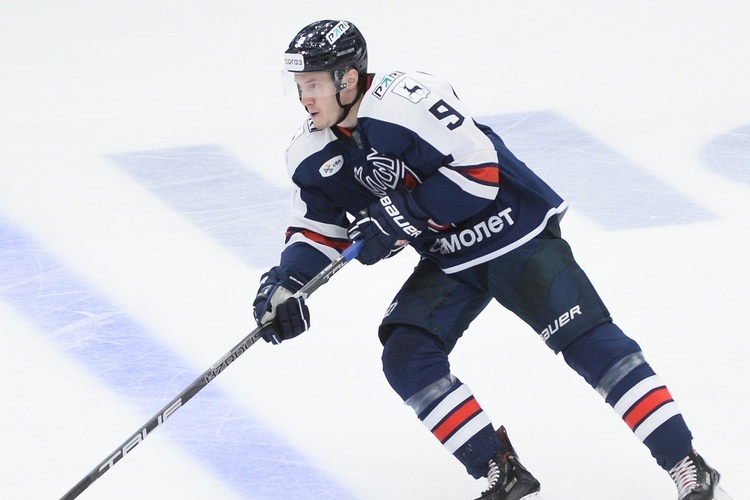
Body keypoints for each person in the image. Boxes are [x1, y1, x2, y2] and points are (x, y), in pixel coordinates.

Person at [253, 19, 731, 500]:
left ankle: (687, 464)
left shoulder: (406, 101)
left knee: (588, 343)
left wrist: (399, 217)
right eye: (299, 86)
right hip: (449, 256)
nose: (304, 99)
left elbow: (481, 173)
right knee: (407, 355)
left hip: (512, 232)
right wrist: (287, 284)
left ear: (349, 78)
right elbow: (317, 230)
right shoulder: (311, 152)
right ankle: (500, 469)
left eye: (314, 85)